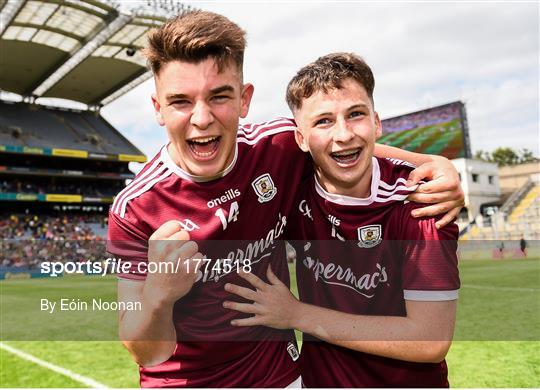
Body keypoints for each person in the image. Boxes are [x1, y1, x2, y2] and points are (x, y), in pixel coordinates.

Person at [107, 11, 464, 388]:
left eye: (219, 96)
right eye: (180, 101)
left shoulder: (277, 148)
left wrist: (436, 164)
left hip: (281, 376)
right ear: (157, 108)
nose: (201, 118)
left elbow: (336, 143)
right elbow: (142, 350)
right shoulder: (135, 208)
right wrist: (158, 296)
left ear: (244, 100)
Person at [224, 53, 459, 387]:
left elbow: (430, 340)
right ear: (301, 139)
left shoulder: (420, 202)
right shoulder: (292, 190)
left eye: (356, 114)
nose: (344, 134)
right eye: (323, 121)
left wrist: (296, 314)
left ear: (376, 122)